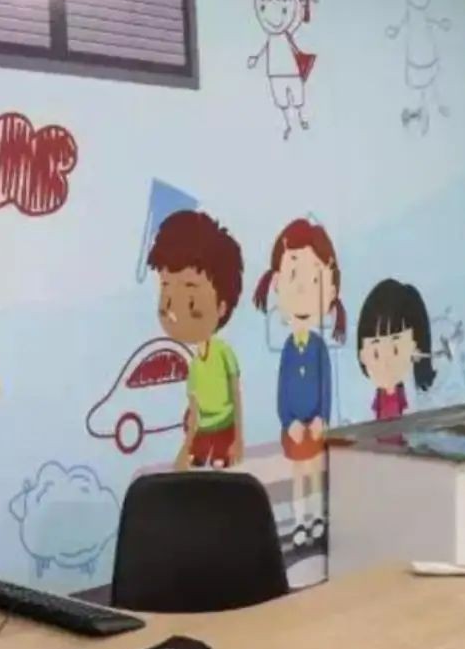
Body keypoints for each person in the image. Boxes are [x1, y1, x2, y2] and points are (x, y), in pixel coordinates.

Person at [253, 218, 346, 546]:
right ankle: (300, 522)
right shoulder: (288, 350)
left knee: (315, 474)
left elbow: (326, 387)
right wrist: (288, 421)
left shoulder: (319, 348)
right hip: (294, 428)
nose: (304, 291)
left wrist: (322, 418)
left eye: (314, 279)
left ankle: (318, 517)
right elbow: (283, 391)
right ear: (277, 284)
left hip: (316, 426)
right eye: (294, 278)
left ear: (330, 290)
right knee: (298, 476)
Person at [147, 211, 245, 470]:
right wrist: (187, 446)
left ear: (221, 306)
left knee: (221, 470)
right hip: (203, 433)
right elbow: (194, 410)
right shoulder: (195, 366)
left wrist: (238, 438)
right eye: (166, 290)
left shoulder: (223, 353)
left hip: (224, 431)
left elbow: (236, 395)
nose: (173, 310)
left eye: (190, 299)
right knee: (196, 469)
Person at [247, 0, 319, 141]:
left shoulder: (286, 34)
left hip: (290, 70)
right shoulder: (273, 37)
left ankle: (301, 118)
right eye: (263, 7)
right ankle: (288, 125)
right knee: (281, 101)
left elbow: (300, 22)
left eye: (284, 10)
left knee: (297, 98)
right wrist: (256, 58)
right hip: (275, 71)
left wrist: (305, 5)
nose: (274, 17)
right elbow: (266, 47)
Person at [384, 0, 451, 134]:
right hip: (417, 52)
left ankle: (434, 106)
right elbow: (407, 20)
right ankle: (418, 112)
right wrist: (396, 29)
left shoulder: (420, 10)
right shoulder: (411, 11)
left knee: (430, 81)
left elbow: (425, 19)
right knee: (419, 83)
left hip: (426, 49)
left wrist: (440, 23)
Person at [357, 278, 437, 421]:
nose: (386, 362)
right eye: (376, 353)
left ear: (415, 349)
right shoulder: (369, 398)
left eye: (395, 350)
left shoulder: (420, 396)